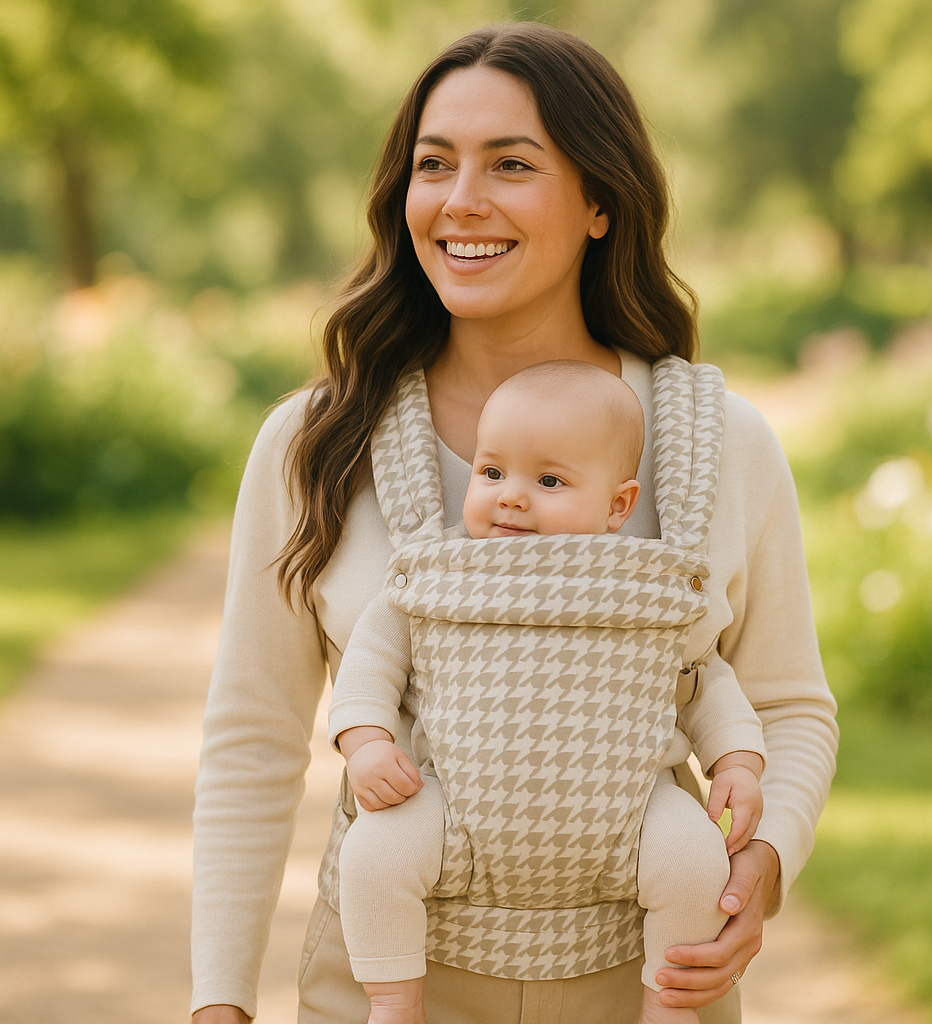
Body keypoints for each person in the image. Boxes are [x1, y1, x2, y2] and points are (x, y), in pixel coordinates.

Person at [190, 20, 838, 1024]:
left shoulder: (716, 443)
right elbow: (252, 738)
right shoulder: (317, 442)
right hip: (383, 987)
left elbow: (789, 703)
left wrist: (763, 856)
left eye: (511, 165)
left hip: (647, 989)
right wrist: (217, 1004)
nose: (460, 201)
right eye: (434, 165)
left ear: (598, 203)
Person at [330, 360, 767, 1024]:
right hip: (456, 811)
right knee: (374, 853)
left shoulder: (644, 581)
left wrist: (737, 761)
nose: (511, 496)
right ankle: (393, 1002)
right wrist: (365, 742)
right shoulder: (438, 572)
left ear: (620, 505)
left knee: (692, 861)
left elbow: (702, 680)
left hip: (629, 814)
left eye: (550, 480)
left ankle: (667, 1003)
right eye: (492, 472)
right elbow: (370, 662)